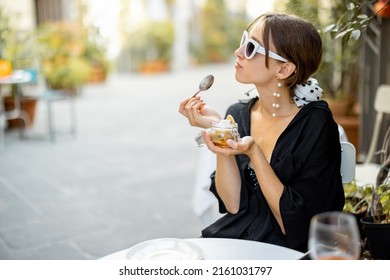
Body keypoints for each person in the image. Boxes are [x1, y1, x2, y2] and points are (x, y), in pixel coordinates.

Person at [179, 13, 344, 252]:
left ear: (284, 69)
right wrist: (219, 130)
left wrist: (255, 153)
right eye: (244, 40)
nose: (238, 52)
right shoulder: (237, 113)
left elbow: (298, 228)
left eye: (251, 47)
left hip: (290, 253)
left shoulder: (315, 124)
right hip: (237, 242)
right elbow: (232, 204)